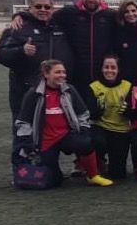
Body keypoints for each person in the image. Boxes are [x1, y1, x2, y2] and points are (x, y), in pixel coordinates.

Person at [13, 60, 114, 188]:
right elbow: (23, 121)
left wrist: (83, 130)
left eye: (63, 72)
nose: (62, 75)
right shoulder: (34, 94)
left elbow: (83, 113)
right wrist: (27, 141)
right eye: (57, 72)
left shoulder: (69, 90)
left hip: (66, 136)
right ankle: (56, 174)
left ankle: (93, 175)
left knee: (86, 143)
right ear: (46, 74)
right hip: (45, 141)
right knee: (53, 182)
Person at [0, 0, 75, 127]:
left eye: (47, 7)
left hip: (56, 90)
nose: (43, 9)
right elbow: (0, 55)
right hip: (26, 90)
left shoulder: (60, 27)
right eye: (38, 6)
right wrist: (22, 51)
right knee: (24, 128)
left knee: (53, 129)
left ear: (52, 9)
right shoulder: (18, 27)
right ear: (30, 8)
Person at [45, 0, 119, 90]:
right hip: (75, 77)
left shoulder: (111, 16)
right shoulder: (69, 13)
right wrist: (20, 15)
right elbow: (43, 16)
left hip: (103, 77)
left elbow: (133, 20)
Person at [87, 56, 132, 179]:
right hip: (101, 127)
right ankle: (99, 161)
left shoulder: (127, 86)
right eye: (106, 67)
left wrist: (127, 111)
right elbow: (90, 114)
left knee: (118, 175)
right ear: (101, 69)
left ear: (118, 70)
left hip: (121, 130)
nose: (109, 70)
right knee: (97, 141)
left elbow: (134, 112)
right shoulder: (94, 86)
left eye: (113, 67)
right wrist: (99, 110)